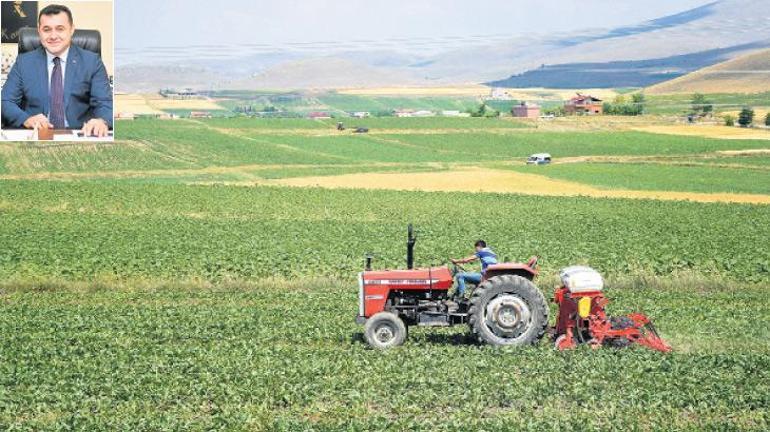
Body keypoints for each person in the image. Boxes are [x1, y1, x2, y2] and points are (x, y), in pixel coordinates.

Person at [1, 4, 112, 137]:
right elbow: (6, 101)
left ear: (71, 30)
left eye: (60, 29)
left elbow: (104, 102)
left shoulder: (92, 62)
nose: (53, 36)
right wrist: (26, 119)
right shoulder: (23, 62)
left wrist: (101, 121)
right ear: (39, 31)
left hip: (80, 134)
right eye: (46, 29)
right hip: (36, 135)